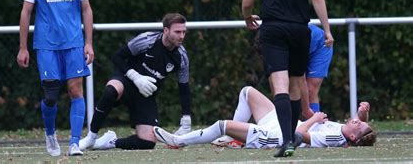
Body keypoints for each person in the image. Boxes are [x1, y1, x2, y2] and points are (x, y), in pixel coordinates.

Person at [241, 0, 334, 157]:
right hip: (300, 30)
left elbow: (246, 2)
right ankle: (292, 137)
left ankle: (286, 141)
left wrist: (247, 17)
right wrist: (327, 29)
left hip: (273, 30)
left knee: (280, 86)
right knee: (295, 84)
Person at [16, 0, 94, 157]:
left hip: (73, 43)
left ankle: (73, 143)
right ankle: (50, 134)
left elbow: (87, 9)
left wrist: (88, 42)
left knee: (75, 90)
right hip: (47, 44)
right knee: (51, 96)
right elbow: (25, 12)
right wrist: (23, 47)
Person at [78, 13, 192, 151]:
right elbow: (117, 57)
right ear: (166, 30)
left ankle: (111, 142)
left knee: (148, 142)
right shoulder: (147, 40)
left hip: (146, 94)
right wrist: (135, 77)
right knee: (110, 91)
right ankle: (91, 137)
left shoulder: (182, 57)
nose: (181, 36)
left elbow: (184, 87)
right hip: (126, 81)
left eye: (184, 32)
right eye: (177, 32)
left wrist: (186, 117)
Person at [153, 86, 376, 149]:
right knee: (247, 92)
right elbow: (359, 124)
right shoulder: (345, 132)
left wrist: (314, 119)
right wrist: (363, 111)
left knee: (222, 125)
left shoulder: (333, 140)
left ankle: (178, 141)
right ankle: (233, 138)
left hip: (278, 136)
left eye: (359, 124)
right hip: (281, 124)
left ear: (354, 139)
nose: (357, 120)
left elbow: (298, 135)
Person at [306, 24, 334, 113]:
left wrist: (327, 31)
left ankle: (314, 124)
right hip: (296, 42)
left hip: (322, 44)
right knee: (290, 86)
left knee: (311, 89)